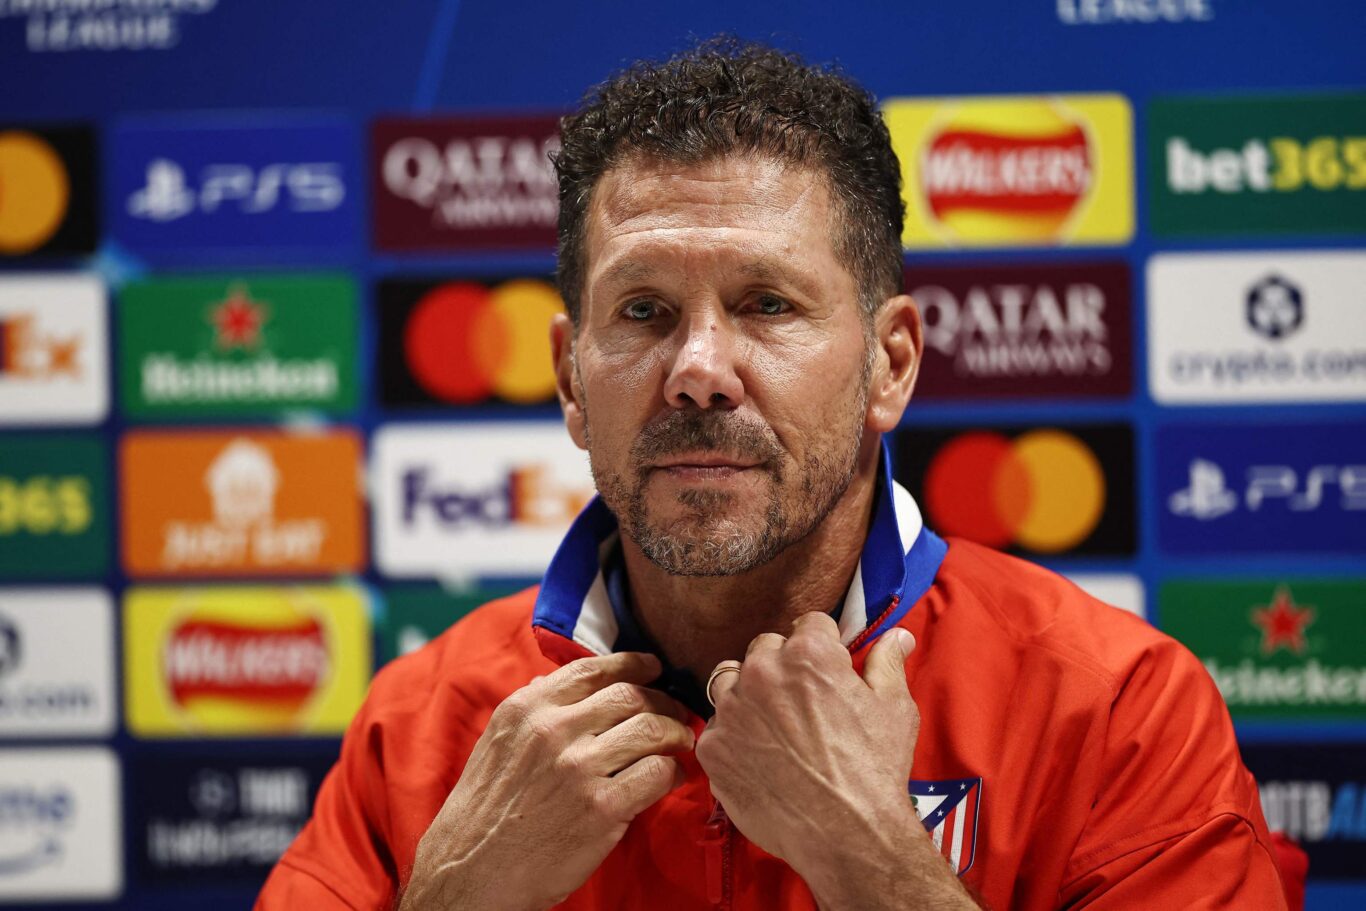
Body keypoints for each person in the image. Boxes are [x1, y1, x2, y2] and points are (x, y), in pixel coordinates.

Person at [258, 40, 1288, 910]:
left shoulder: (1112, 708)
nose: (699, 369)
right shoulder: (421, 724)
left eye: (767, 304)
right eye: (644, 311)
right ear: (571, 378)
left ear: (890, 364)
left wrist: (874, 862)